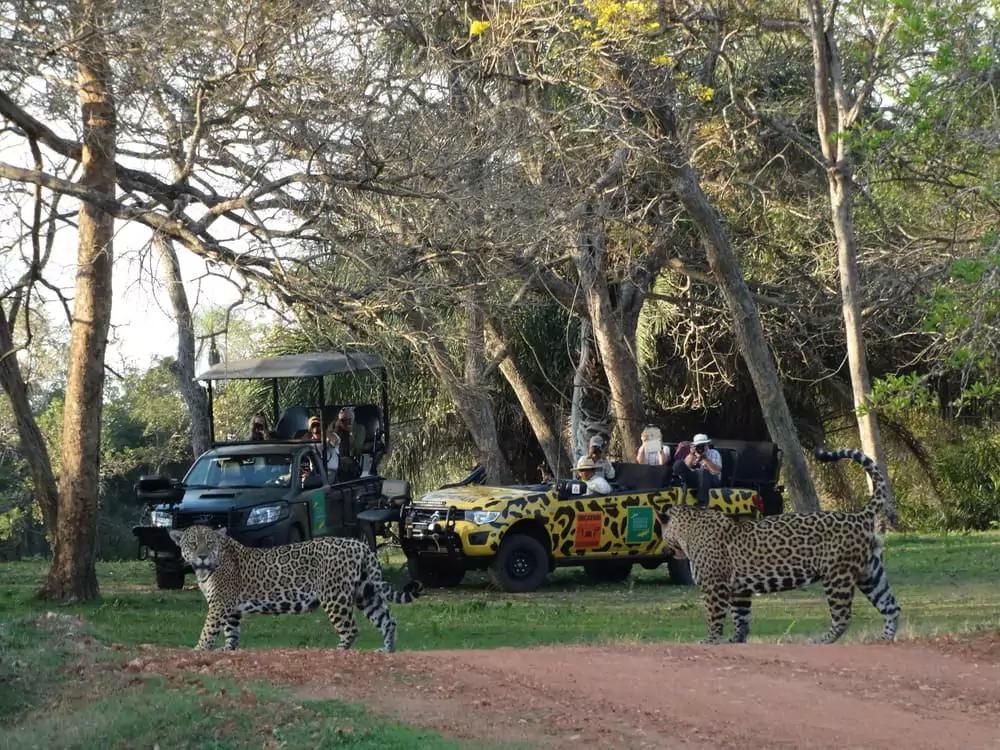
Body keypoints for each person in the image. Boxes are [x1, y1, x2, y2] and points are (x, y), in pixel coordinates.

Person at [673, 433, 722, 507]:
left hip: (712, 479)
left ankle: (702, 503)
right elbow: (686, 466)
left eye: (703, 445)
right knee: (678, 464)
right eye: (698, 446)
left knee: (702, 472)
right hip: (695, 479)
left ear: (707, 445)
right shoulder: (693, 454)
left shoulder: (714, 453)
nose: (701, 448)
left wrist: (705, 459)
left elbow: (716, 471)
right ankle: (679, 493)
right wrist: (692, 454)